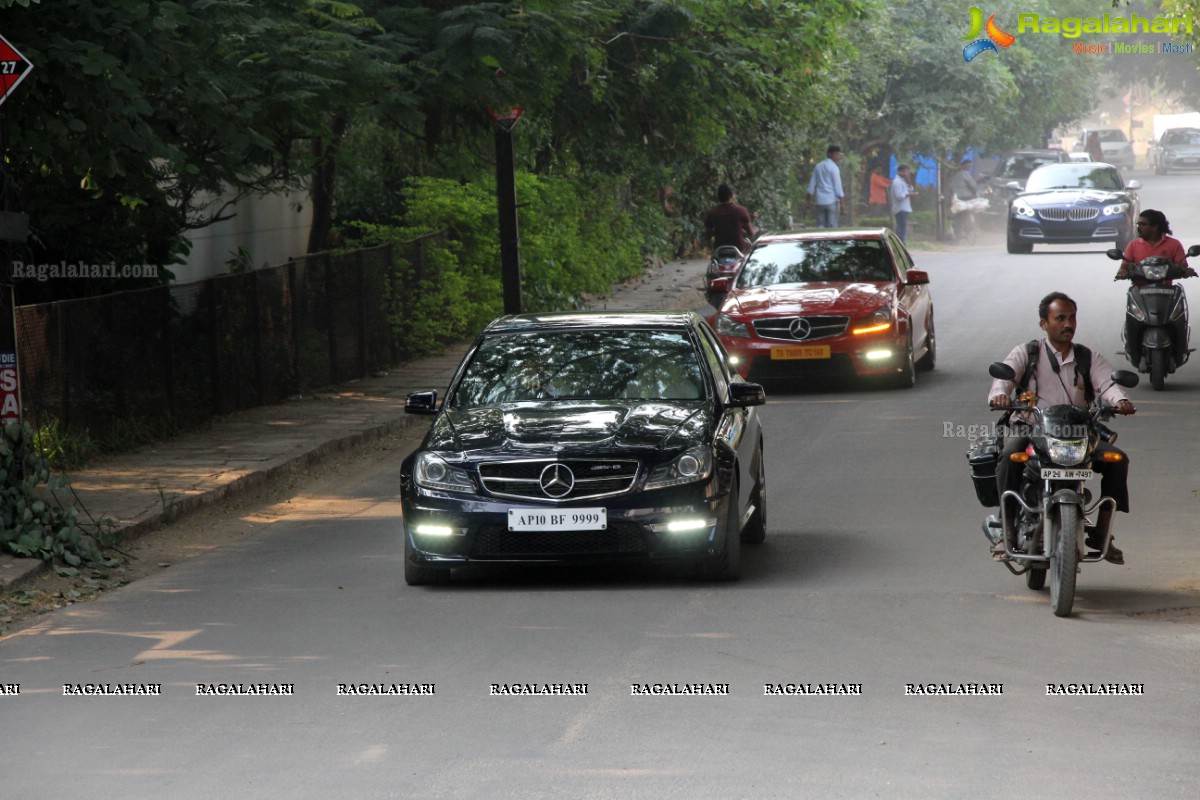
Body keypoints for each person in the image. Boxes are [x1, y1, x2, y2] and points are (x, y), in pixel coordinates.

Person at [988, 292, 1135, 564]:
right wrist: (1000, 396)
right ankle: (1006, 529)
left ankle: (1102, 532)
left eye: (1072, 318)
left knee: (1117, 459)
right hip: (1032, 431)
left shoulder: (1088, 357)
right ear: (1044, 323)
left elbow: (1108, 383)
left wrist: (1121, 400)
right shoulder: (1027, 353)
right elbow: (1004, 378)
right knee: (1009, 456)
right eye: (1060, 318)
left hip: (1077, 435)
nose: (1068, 324)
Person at [1115, 209, 1196, 280]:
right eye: (1138, 224)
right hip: (1139, 292)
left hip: (1167, 290)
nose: (1138, 228)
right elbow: (1124, 267)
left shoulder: (1174, 244)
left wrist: (1186, 271)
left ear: (1155, 227)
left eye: (1142, 224)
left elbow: (1182, 266)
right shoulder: (1133, 245)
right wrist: (1122, 272)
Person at [703, 183, 757, 253]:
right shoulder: (741, 210)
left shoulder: (712, 212)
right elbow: (751, 233)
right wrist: (756, 229)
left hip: (719, 250)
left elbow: (708, 236)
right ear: (731, 195)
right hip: (739, 250)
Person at [806, 145, 845, 228]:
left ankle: (821, 240)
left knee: (820, 227)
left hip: (820, 201)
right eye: (836, 154)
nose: (838, 157)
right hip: (832, 201)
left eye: (839, 154)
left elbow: (811, 185)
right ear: (829, 154)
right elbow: (838, 187)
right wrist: (842, 204)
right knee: (832, 227)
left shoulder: (818, 166)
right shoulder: (834, 168)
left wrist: (808, 200)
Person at [947, 156, 980, 241]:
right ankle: (968, 230)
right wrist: (975, 192)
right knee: (968, 212)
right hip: (966, 198)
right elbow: (973, 185)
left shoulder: (955, 175)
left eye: (969, 166)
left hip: (956, 199)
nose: (968, 167)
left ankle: (957, 235)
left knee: (958, 216)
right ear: (963, 166)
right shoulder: (965, 174)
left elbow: (951, 188)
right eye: (967, 166)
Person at [889, 164, 916, 243]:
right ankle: (900, 246)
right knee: (901, 229)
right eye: (905, 172)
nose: (907, 174)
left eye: (908, 172)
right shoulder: (897, 182)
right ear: (900, 172)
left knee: (902, 229)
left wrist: (909, 183)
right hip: (900, 209)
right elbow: (899, 196)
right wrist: (908, 194)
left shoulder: (903, 181)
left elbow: (910, 190)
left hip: (905, 208)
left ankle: (901, 246)